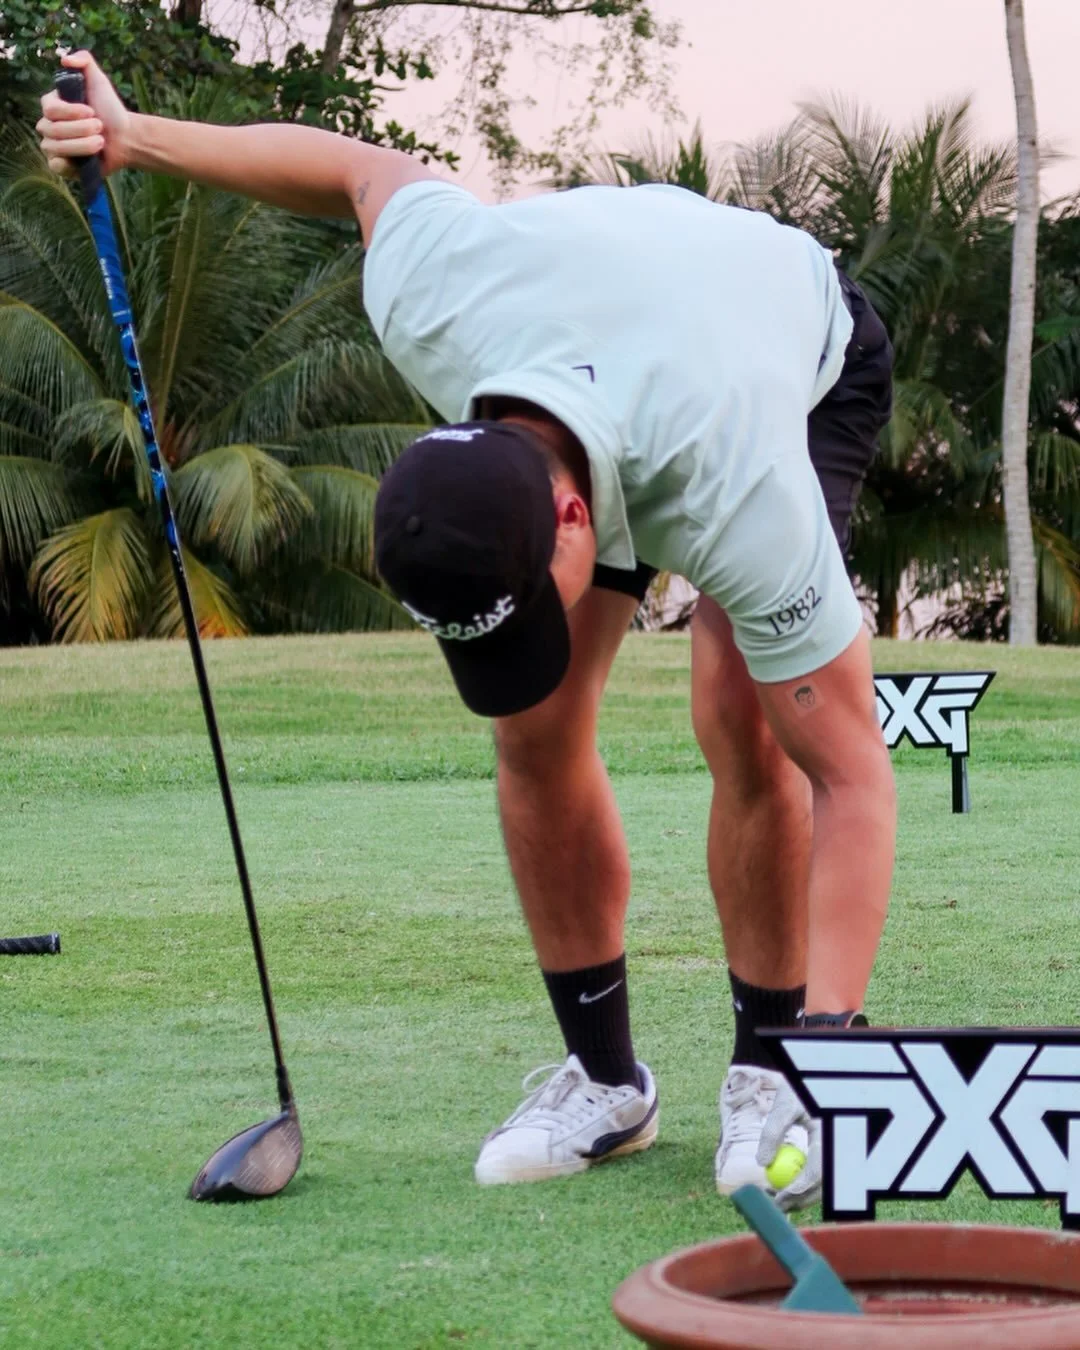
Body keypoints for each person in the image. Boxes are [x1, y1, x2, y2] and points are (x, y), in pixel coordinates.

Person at [39, 50, 896, 1211]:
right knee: (534, 730)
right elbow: (357, 169)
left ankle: (774, 1072)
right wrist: (141, 139)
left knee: (745, 719)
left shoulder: (734, 474)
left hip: (785, 351)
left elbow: (854, 775)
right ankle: (608, 1084)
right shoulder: (435, 297)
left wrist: (836, 1059)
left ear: (576, 519)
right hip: (600, 358)